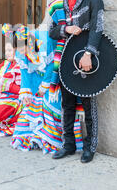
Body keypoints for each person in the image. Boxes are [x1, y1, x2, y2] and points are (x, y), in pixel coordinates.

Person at [49, 0, 104, 163]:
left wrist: (89, 54)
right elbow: (52, 32)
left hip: (88, 61)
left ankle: (90, 147)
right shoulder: (57, 5)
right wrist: (66, 29)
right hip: (64, 60)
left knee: (89, 105)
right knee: (68, 104)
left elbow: (98, 29)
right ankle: (69, 145)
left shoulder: (94, 1)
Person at [11, 24, 84, 154]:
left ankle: (50, 140)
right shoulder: (21, 52)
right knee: (30, 102)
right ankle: (33, 136)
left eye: (24, 48)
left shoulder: (45, 43)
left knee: (48, 102)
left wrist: (44, 87)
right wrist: (26, 93)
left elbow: (53, 65)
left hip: (56, 77)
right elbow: (25, 73)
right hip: (36, 80)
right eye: (19, 49)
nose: (22, 52)